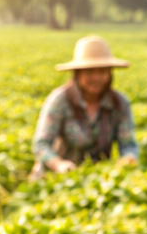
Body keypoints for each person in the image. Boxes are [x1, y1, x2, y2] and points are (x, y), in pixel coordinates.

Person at [31, 36, 139, 177]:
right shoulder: (59, 101)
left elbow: (128, 144)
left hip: (99, 177)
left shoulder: (119, 103)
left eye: (102, 71)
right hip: (57, 175)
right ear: (77, 73)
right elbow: (41, 145)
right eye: (89, 72)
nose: (96, 77)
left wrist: (128, 158)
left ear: (110, 73)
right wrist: (58, 164)